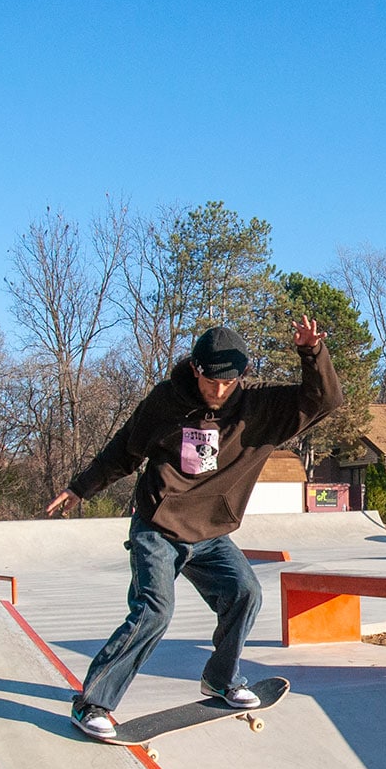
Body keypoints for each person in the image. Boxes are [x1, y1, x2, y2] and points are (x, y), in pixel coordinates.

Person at [44, 315, 340, 739]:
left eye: (227, 383)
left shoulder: (260, 410)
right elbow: (124, 451)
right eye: (209, 382)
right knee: (155, 610)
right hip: (157, 527)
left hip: (211, 533)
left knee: (245, 593)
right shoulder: (166, 401)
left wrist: (312, 354)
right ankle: (92, 703)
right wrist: (80, 488)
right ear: (195, 369)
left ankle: (220, 679)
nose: (217, 392)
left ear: (241, 377)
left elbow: (324, 401)